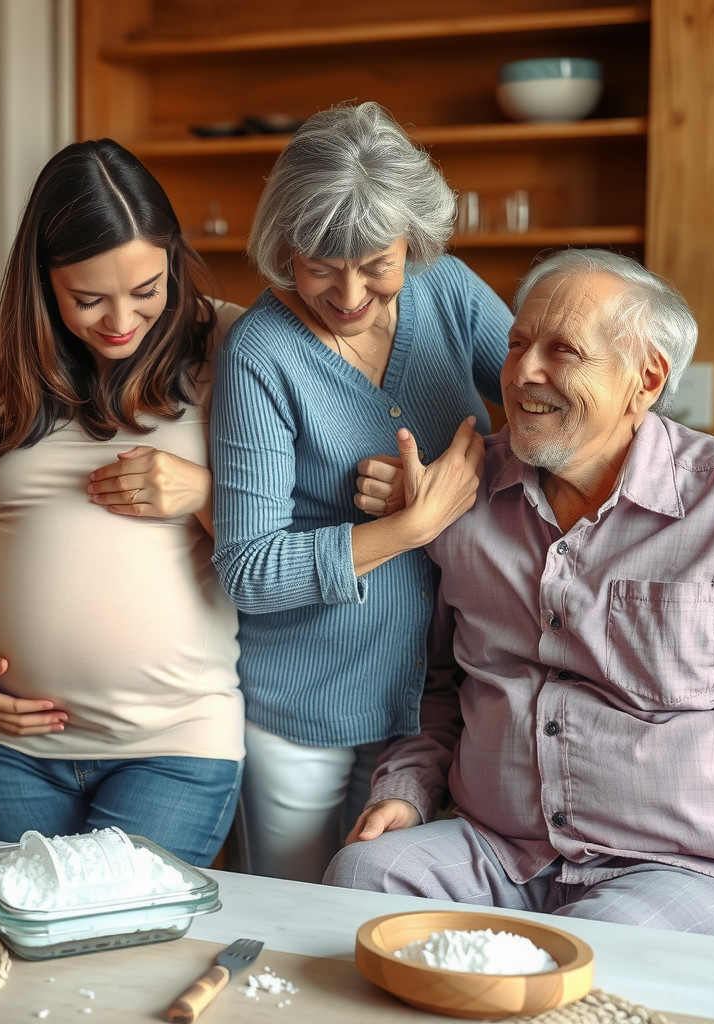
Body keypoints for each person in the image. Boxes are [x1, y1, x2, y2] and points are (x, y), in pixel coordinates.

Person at [327, 249, 714, 955]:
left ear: (645, 380)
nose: (523, 372)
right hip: (508, 853)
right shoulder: (461, 497)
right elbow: (436, 682)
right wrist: (405, 787)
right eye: (519, 343)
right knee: (361, 880)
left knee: (597, 949)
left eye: (564, 351)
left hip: (711, 870)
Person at [0, 140, 246, 867]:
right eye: (88, 298)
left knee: (120, 943)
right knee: (30, 955)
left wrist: (200, 493)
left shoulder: (229, 345)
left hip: (173, 743)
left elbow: (284, 539)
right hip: (7, 744)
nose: (121, 321)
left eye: (147, 289)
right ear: (43, 281)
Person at [209, 100, 509, 882]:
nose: (347, 294)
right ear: (284, 248)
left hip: (444, 700)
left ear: (414, 239)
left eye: (376, 264)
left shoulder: (449, 292)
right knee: (292, 920)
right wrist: (415, 525)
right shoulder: (260, 355)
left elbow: (553, 421)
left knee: (393, 921)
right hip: (302, 706)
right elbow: (249, 568)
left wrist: (455, 476)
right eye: (318, 264)